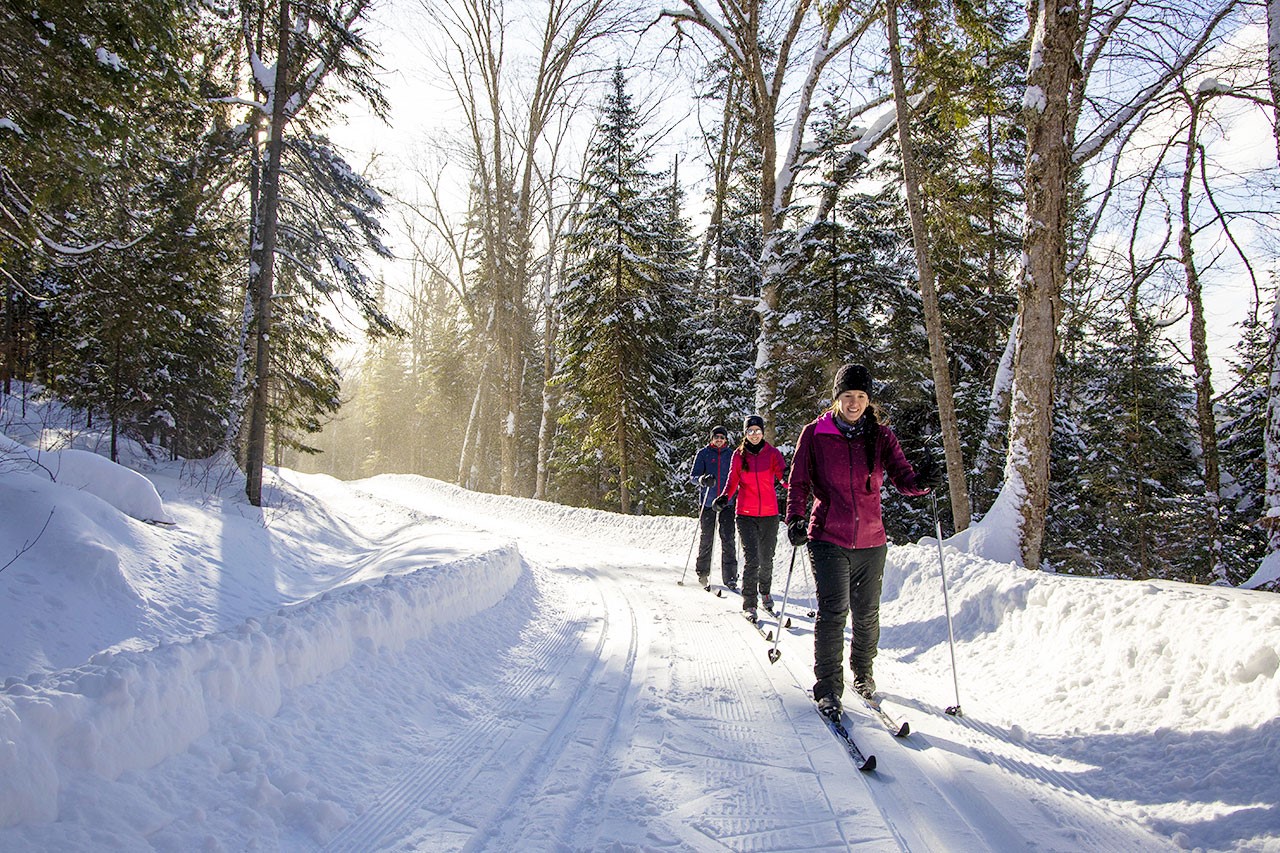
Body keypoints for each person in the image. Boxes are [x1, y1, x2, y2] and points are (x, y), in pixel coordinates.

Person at [785, 364, 943, 719]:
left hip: (872, 540)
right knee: (833, 612)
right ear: (836, 398)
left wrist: (923, 482)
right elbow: (798, 482)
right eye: (847, 396)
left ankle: (863, 673)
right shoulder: (815, 433)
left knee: (867, 614)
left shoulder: (881, 436)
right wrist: (794, 516)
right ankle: (827, 687)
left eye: (860, 397)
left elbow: (904, 478)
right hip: (828, 536)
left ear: (868, 400)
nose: (853, 403)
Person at [713, 415, 787, 621]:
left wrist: (789, 481)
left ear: (763, 432)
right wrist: (724, 498)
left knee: (767, 558)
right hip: (745, 514)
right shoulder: (739, 455)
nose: (754, 435)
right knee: (752, 559)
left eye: (757, 431)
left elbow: (782, 476)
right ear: (745, 434)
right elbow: (732, 481)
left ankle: (765, 592)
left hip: (770, 514)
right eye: (750, 431)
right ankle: (749, 603)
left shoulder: (772, 454)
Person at [689, 425, 738, 590]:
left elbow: (738, 475)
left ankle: (730, 576)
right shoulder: (703, 454)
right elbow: (693, 477)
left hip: (726, 503)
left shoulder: (731, 455)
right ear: (711, 438)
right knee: (707, 537)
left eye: (722, 438)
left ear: (726, 439)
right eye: (716, 437)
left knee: (728, 538)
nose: (719, 440)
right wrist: (702, 479)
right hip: (708, 502)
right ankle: (703, 572)